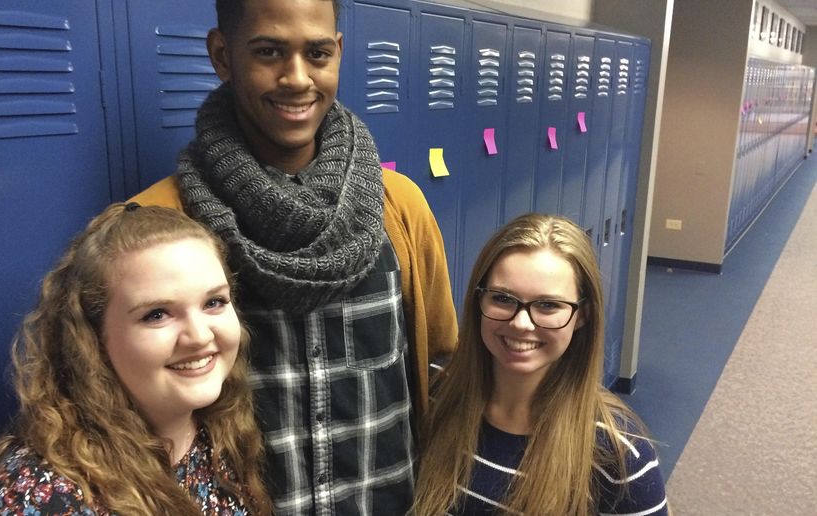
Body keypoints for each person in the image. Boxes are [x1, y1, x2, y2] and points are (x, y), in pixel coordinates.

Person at [131, 0, 457, 513]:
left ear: (339, 55)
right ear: (222, 55)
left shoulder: (400, 209)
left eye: (318, 53)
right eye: (268, 51)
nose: (297, 78)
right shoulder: (156, 226)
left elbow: (440, 365)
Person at [0, 203, 272, 515]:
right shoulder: (45, 494)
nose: (200, 336)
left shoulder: (218, 433)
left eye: (214, 302)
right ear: (93, 340)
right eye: (157, 314)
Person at [413, 213, 668, 515]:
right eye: (503, 299)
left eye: (548, 305)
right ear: (478, 302)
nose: (521, 323)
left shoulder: (619, 455)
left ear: (582, 315)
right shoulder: (435, 389)